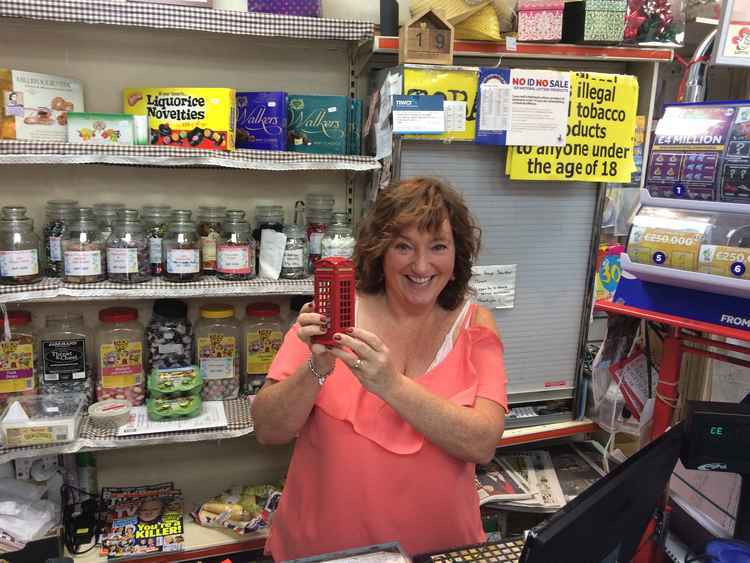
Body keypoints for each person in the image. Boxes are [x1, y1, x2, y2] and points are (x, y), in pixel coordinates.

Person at [252, 177, 508, 561]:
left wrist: (390, 385)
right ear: (381, 252)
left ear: (458, 255)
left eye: (438, 246)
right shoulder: (333, 316)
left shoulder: (476, 324)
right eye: (404, 246)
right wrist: (316, 368)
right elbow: (268, 429)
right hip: (326, 551)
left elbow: (482, 442)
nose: (421, 265)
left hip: (441, 549)